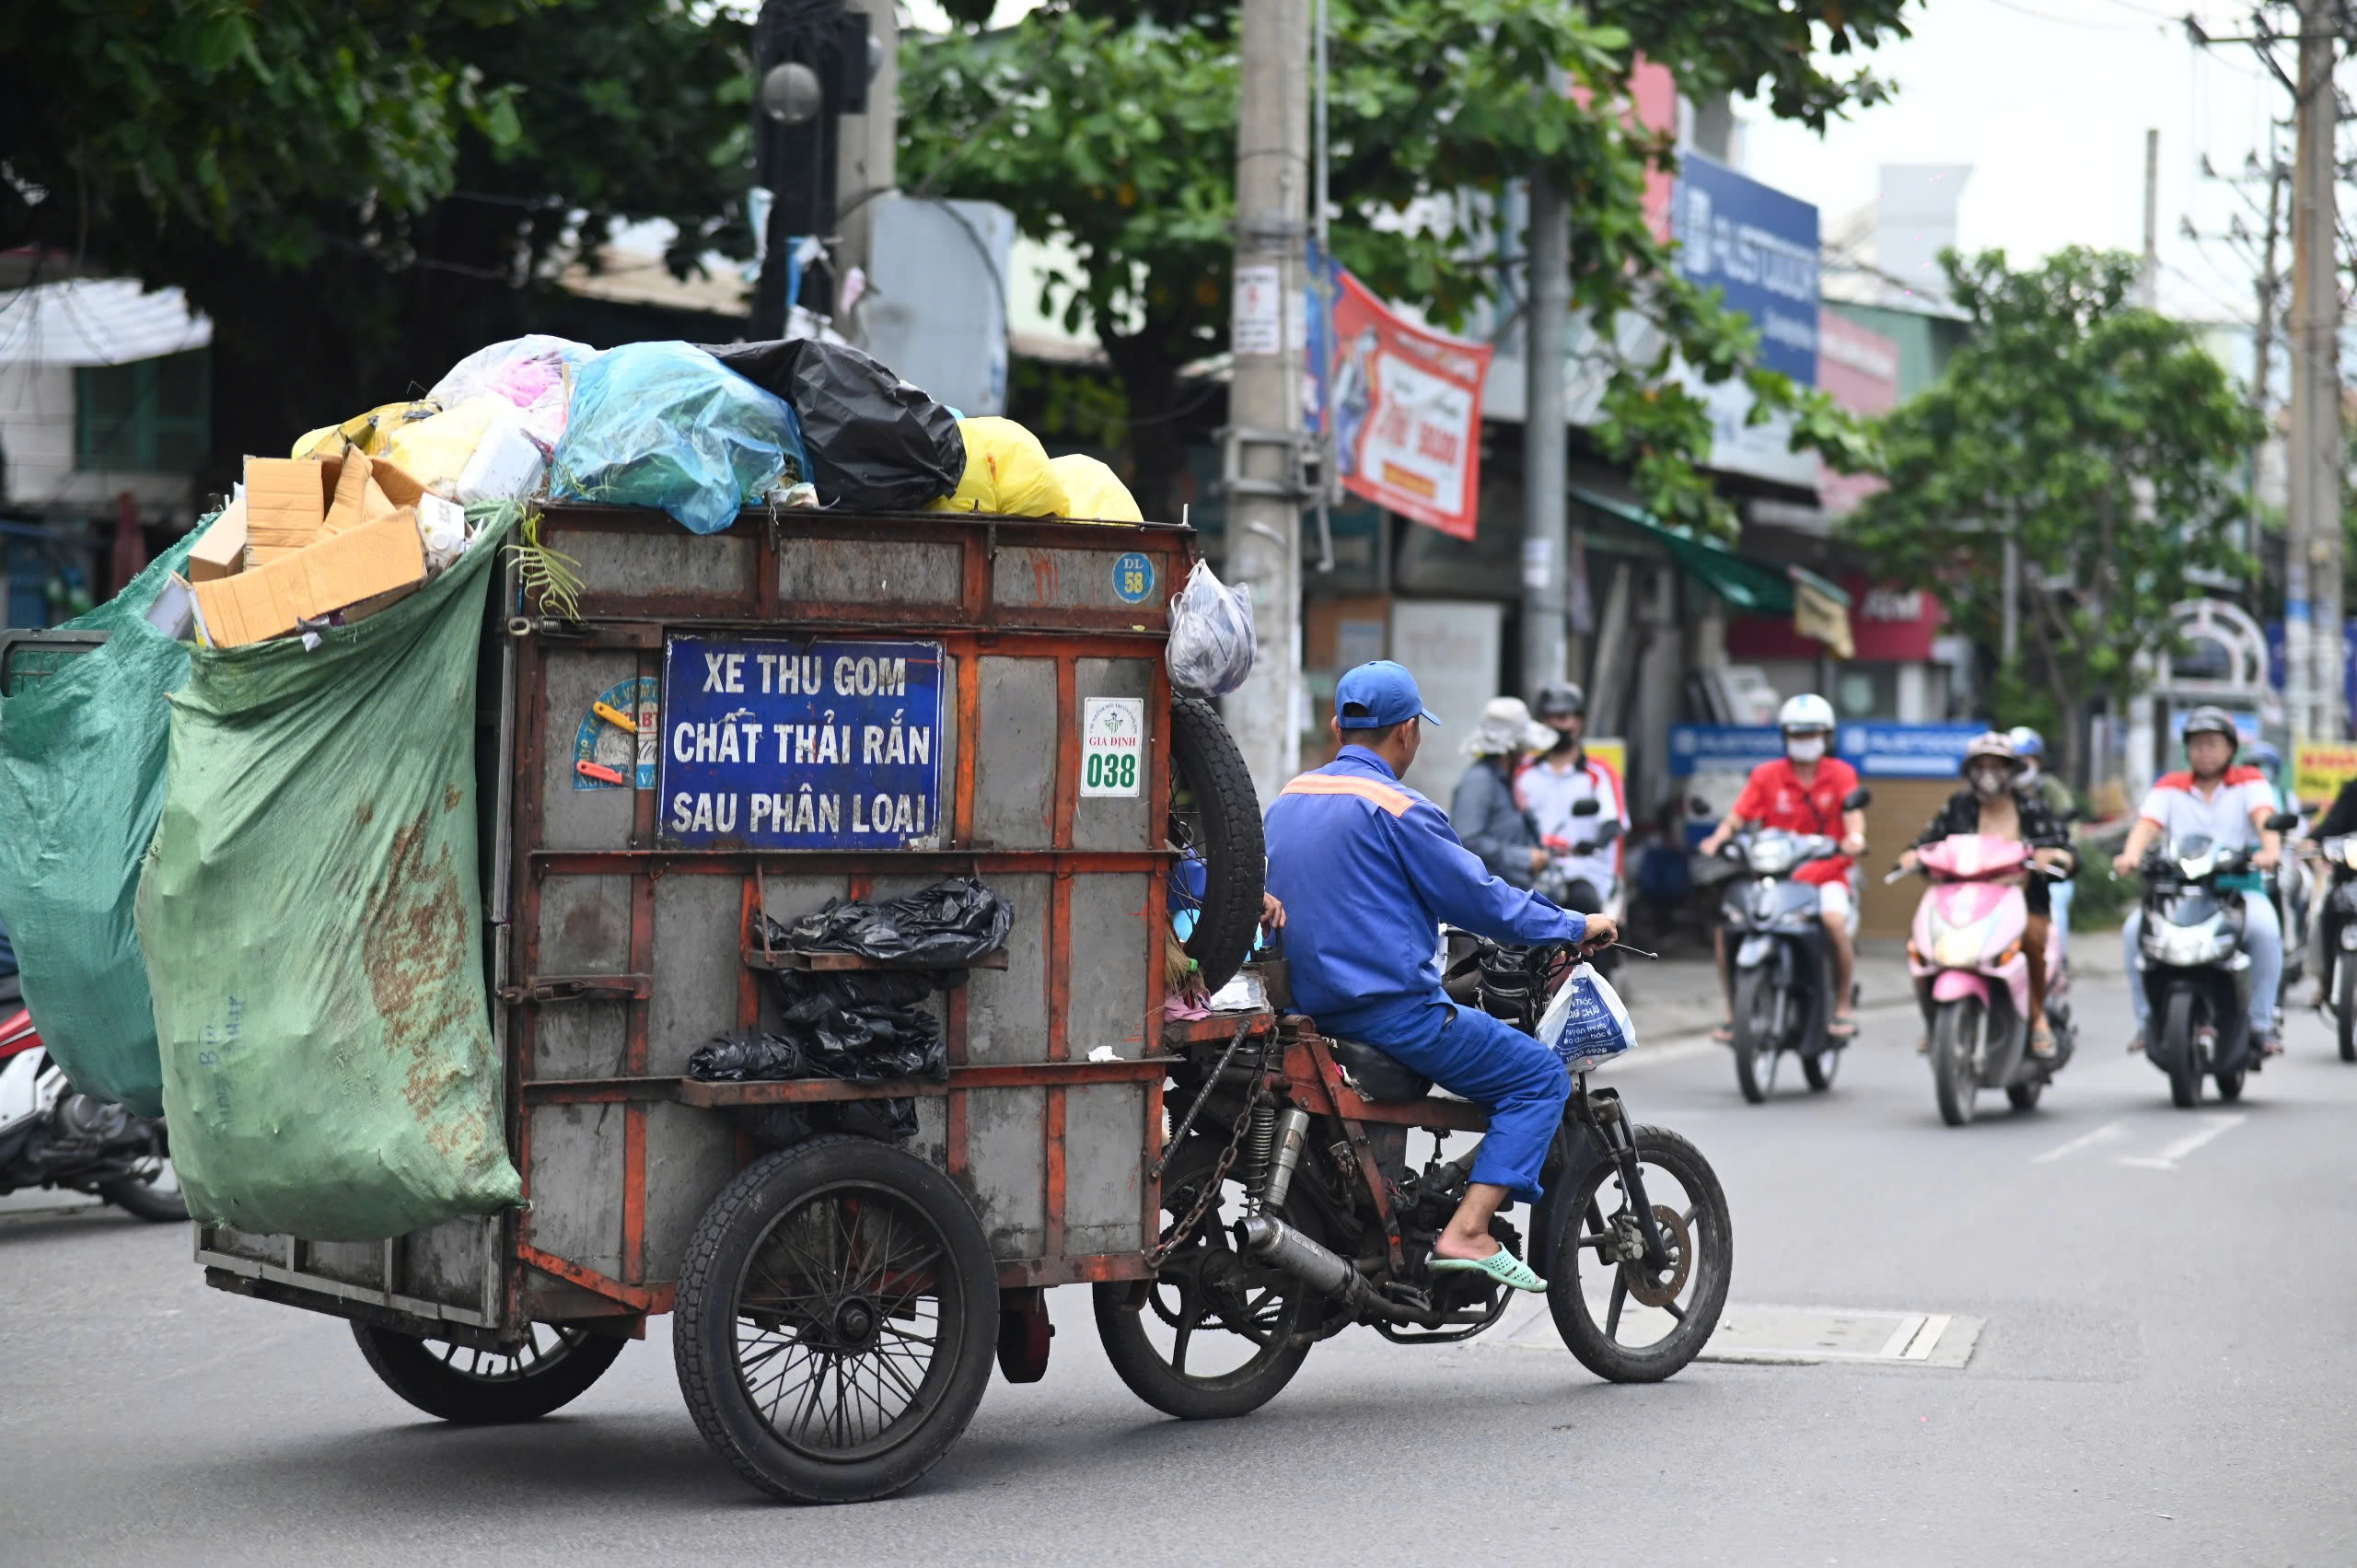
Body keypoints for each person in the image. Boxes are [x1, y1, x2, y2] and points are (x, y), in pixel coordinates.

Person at [1265, 660, 1617, 1293]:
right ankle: (1469, 1229)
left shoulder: (1289, 798)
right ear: (1406, 732)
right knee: (1538, 1075)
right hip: (1391, 1015)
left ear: (1336, 723)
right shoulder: (1399, 808)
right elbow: (1482, 900)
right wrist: (1572, 924)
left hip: (1303, 1013)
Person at [2110, 706, 2285, 1056]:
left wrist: (2270, 850)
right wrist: (2131, 854)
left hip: (2237, 889)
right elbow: (2147, 826)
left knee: (2266, 932)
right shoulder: (2170, 785)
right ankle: (2146, 1021)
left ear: (2230, 748)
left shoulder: (2249, 780)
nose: (2204, 751)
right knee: (2133, 931)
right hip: (2181, 893)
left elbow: (2265, 819)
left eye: (2212, 743)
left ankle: (2261, 1023)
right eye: (2197, 744)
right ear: (2187, 749)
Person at [1695, 694, 1866, 1041]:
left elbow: (1854, 819)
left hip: (1826, 874)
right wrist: (1718, 838)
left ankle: (1843, 1005)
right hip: (1776, 878)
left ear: (1826, 736)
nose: (1805, 742)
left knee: (1835, 923)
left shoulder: (1841, 774)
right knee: (1728, 927)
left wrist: (1856, 838)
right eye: (1797, 735)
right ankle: (1733, 1011)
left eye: (1812, 734)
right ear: (1786, 736)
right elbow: (1737, 817)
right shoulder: (1766, 775)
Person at [1897, 733, 2077, 1055]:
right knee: (1921, 943)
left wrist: (2056, 855)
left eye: (1997, 766)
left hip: (2018, 900)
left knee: (2034, 940)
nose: (1989, 773)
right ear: (1969, 770)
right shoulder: (1958, 805)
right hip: (1963, 900)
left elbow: (2064, 847)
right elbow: (1926, 841)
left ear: (2012, 770)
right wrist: (1912, 855)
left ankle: (2037, 1018)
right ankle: (1933, 1019)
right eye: (1981, 766)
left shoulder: (2031, 807)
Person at [1518, 682, 1630, 916]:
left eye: (1563, 717)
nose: (1556, 724)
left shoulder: (1599, 773)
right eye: (1549, 718)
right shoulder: (1523, 772)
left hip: (1583, 871)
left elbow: (1614, 822)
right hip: (1533, 871)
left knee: (1586, 911)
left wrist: (1596, 843)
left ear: (1578, 721)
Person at [1448, 696, 1556, 889]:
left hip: (1513, 891)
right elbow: (1468, 840)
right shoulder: (1479, 780)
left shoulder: (1507, 781)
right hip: (1489, 896)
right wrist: (1523, 858)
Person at [2008, 726, 2078, 954]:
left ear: (2038, 761)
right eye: (2017, 760)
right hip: (2005, 869)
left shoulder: (2050, 790)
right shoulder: (1998, 792)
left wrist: (2062, 854)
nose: (2023, 766)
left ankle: (2058, 960)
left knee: (2055, 905)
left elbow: (2072, 826)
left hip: (2045, 870)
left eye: (2027, 759)